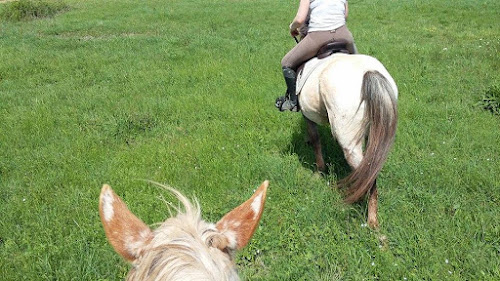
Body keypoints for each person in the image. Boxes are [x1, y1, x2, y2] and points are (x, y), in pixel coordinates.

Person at [276, 0, 358, 112]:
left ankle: (293, 102)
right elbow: (345, 15)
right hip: (344, 34)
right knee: (358, 64)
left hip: (318, 36)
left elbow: (300, 20)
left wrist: (292, 27)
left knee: (286, 63)